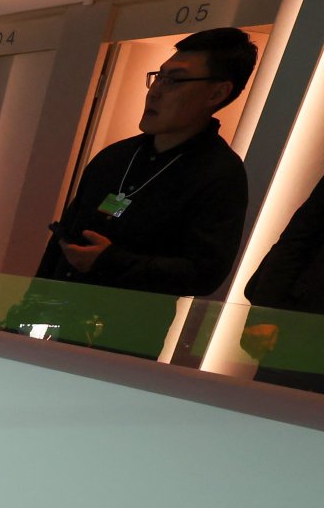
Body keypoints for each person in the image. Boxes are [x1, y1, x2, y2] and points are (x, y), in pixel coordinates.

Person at [31, 28, 256, 355]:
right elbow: (62, 239)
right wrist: (27, 310)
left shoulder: (220, 174)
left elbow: (204, 273)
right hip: (53, 321)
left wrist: (111, 261)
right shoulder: (115, 156)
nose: (155, 92)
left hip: (123, 342)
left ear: (217, 93)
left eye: (175, 81)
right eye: (158, 77)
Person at [243, 173, 324, 391]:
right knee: (270, 410)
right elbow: (295, 242)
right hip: (304, 331)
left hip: (302, 330)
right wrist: (265, 315)